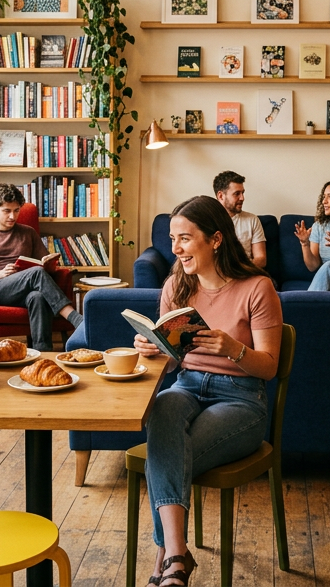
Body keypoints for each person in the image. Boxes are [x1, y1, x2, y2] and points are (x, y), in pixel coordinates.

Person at [135, 196, 283, 587]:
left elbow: (269, 367)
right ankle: (178, 556)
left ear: (215, 239)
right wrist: (155, 350)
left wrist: (232, 348)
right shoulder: (176, 287)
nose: (176, 248)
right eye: (173, 239)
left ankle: (167, 557)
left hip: (240, 397)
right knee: (163, 410)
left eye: (185, 238)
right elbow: (172, 365)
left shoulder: (257, 288)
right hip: (186, 386)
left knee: (165, 454)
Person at [0, 183, 82, 351]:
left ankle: (42, 353)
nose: (12, 216)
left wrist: (49, 264)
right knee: (35, 274)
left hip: (24, 287)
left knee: (38, 296)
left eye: (16, 210)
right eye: (7, 211)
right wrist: (0, 274)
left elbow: (44, 269)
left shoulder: (28, 232)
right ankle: (76, 319)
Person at [213, 170, 266, 269]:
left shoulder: (252, 220)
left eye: (242, 193)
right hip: (217, 275)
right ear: (220, 196)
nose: (242, 198)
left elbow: (261, 259)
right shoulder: (207, 221)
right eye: (237, 194)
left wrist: (238, 270)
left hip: (246, 272)